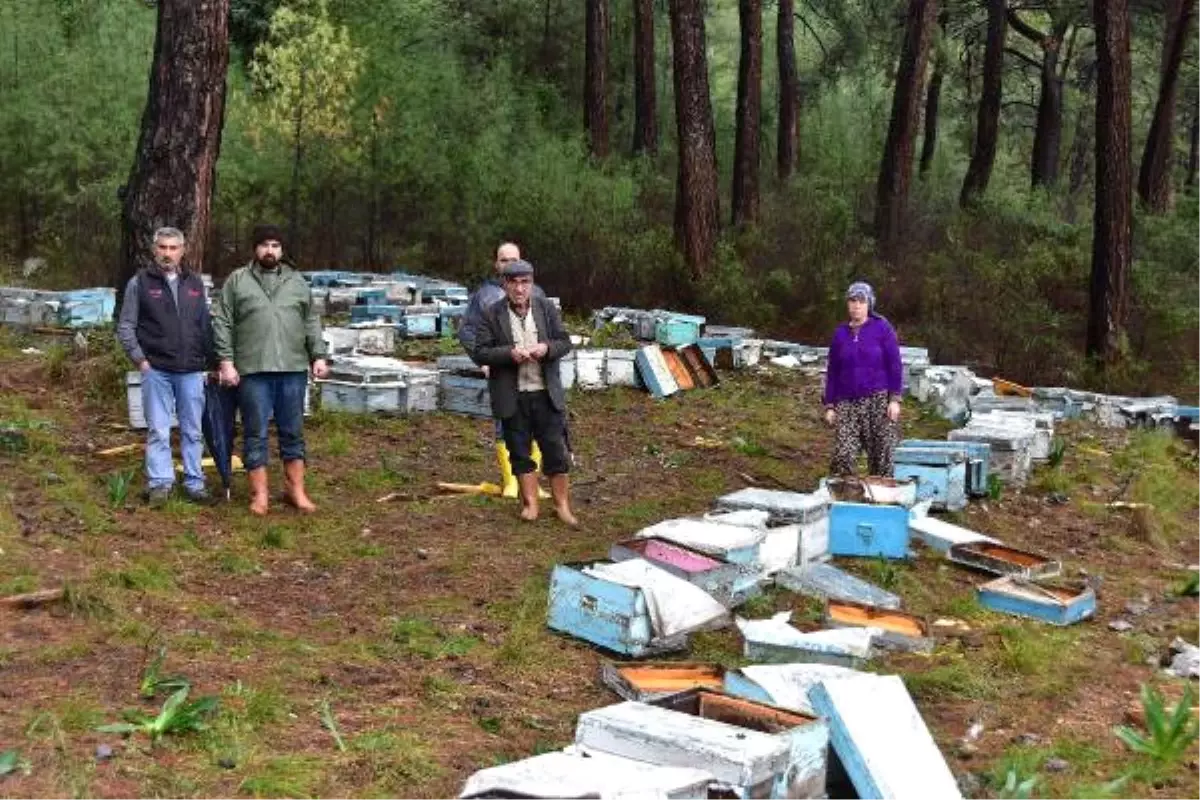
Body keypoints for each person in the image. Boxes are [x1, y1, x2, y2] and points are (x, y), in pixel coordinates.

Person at [212, 225, 329, 516]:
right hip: (253, 369)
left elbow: (311, 321)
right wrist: (226, 361)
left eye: (275, 245)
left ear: (282, 250)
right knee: (255, 432)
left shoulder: (297, 282)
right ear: (255, 249)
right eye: (264, 245)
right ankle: (259, 495)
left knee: (293, 432)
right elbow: (222, 321)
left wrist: (318, 355)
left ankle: (295, 491)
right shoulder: (237, 281)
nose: (270, 251)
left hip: (292, 367)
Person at [473, 259, 577, 526]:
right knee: (519, 451)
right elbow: (480, 351)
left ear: (531, 284)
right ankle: (530, 504)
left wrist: (546, 349)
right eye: (514, 283)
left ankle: (562, 505)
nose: (519, 289)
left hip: (545, 393)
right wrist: (509, 354)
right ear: (504, 284)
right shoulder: (491, 313)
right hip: (513, 395)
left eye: (525, 283)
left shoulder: (546, 309)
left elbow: (564, 342)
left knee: (555, 450)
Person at [116, 227, 213, 507]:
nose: (167, 253)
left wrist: (212, 361)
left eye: (173, 248)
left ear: (183, 251)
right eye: (163, 247)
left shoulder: (194, 283)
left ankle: (195, 483)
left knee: (193, 429)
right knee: (158, 429)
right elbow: (126, 326)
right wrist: (141, 360)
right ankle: (160, 483)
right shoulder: (140, 283)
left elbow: (204, 326)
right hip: (156, 369)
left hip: (192, 370)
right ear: (154, 250)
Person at [459, 242, 547, 498]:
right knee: (505, 424)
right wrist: (484, 361)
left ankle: (533, 484)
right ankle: (511, 482)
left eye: (514, 259)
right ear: (496, 265)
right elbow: (466, 331)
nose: (509, 264)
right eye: (504, 260)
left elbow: (550, 328)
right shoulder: (485, 296)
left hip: (534, 371)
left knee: (537, 424)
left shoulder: (537, 293)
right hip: (503, 371)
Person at [823, 281, 903, 477]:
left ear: (869, 304)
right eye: (852, 300)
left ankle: (881, 499)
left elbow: (895, 365)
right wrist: (830, 405)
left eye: (861, 301)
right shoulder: (840, 334)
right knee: (843, 453)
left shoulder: (882, 329)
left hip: (878, 400)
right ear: (847, 304)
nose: (856, 305)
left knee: (882, 454)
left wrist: (894, 400)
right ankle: (845, 495)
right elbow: (833, 370)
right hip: (847, 402)